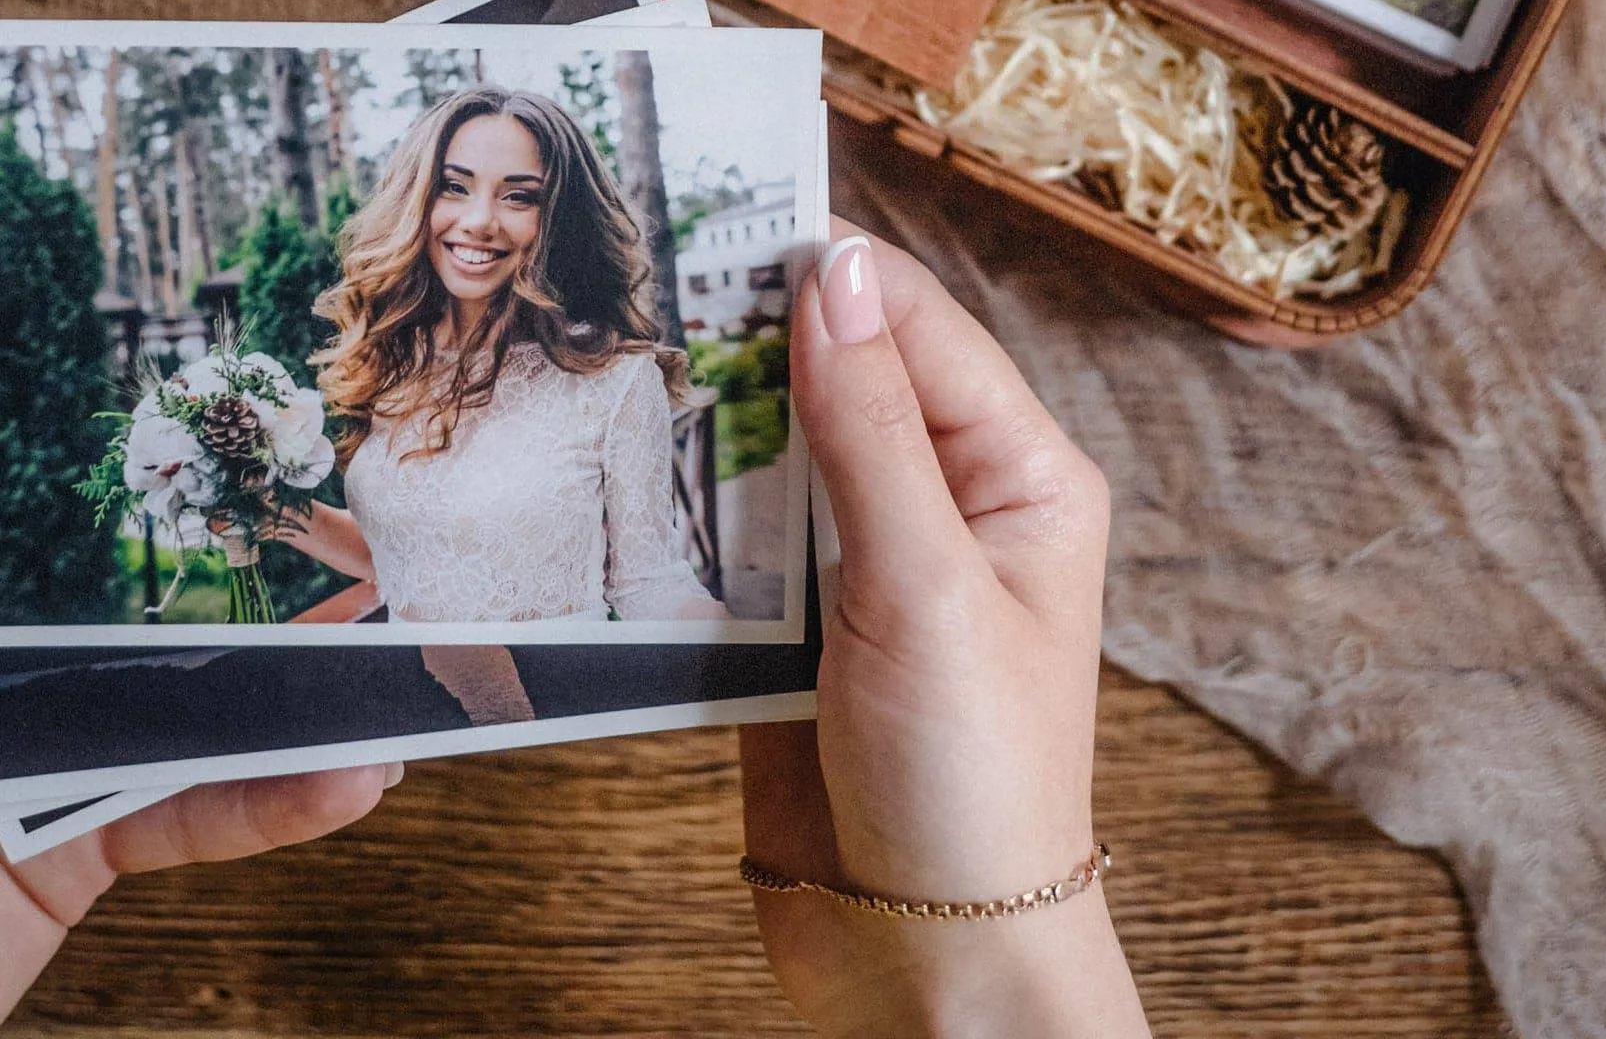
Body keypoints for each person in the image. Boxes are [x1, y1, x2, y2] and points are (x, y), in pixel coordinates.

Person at [3, 225, 1152, 1035]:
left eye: (515, 212)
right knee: (146, 693)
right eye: (457, 205)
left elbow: (639, 572)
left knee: (172, 703)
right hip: (391, 640)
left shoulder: (605, 389)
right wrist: (280, 512)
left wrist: (747, 647)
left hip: (469, 683)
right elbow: (408, 554)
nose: (480, 239)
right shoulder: (412, 378)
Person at [274, 84, 726, 624]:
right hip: (415, 692)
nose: (480, 220)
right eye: (454, 187)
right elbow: (405, 557)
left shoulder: (615, 381)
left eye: (519, 196)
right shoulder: (396, 357)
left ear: (558, 218)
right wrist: (259, 506)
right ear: (418, 198)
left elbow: (648, 584)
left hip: (551, 697)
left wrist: (746, 664)